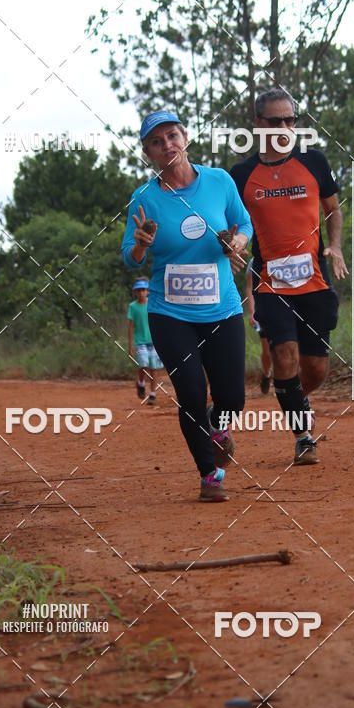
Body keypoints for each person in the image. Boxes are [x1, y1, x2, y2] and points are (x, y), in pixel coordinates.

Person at [122, 109, 252, 501]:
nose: (167, 146)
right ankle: (209, 475)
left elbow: (245, 224)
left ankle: (215, 426)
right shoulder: (144, 199)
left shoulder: (219, 181)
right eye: (156, 142)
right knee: (192, 391)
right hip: (170, 313)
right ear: (147, 153)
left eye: (172, 136)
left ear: (186, 138)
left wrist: (237, 242)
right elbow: (130, 257)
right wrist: (141, 245)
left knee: (232, 398)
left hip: (222, 307)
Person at [231, 88, 348, 466]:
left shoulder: (314, 161)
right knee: (284, 356)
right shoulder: (241, 175)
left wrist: (335, 245)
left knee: (315, 368)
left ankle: (298, 399)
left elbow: (333, 209)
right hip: (270, 283)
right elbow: (232, 223)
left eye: (290, 120)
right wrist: (233, 246)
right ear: (257, 124)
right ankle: (303, 436)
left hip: (314, 281)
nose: (284, 127)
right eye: (275, 121)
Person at [127, 277, 163, 403]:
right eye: (139, 290)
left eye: (143, 290)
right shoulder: (133, 307)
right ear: (135, 292)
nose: (141, 292)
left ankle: (152, 394)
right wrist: (130, 344)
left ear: (147, 291)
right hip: (140, 341)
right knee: (143, 363)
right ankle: (141, 382)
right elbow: (131, 326)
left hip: (153, 341)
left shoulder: (152, 304)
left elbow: (158, 322)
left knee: (154, 367)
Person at [245, 258, 272, 393]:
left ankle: (287, 382)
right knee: (267, 350)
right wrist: (252, 312)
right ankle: (267, 374)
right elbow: (250, 288)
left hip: (283, 308)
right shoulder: (254, 261)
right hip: (263, 310)